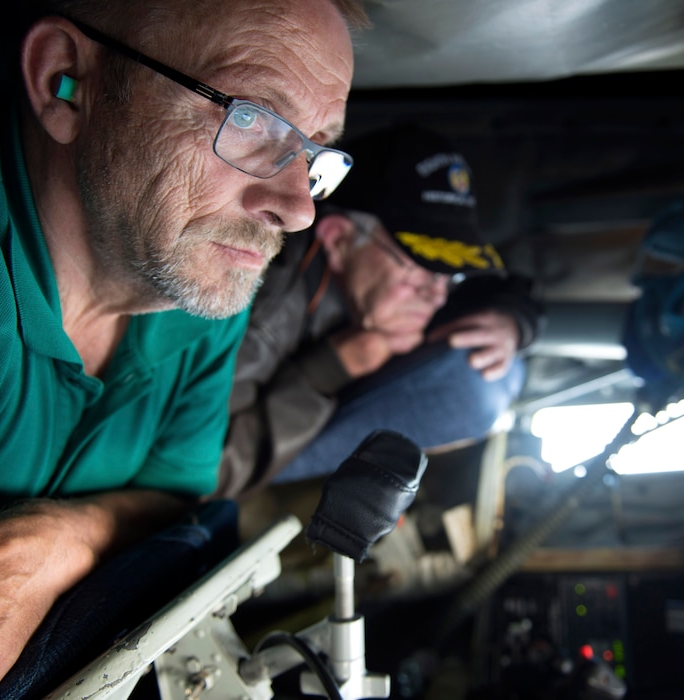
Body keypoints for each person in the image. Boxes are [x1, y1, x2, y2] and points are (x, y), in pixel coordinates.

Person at [0, 0, 365, 697]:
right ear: (64, 82)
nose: (297, 207)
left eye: (319, 151)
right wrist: (121, 533)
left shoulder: (199, 272)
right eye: (252, 119)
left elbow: (180, 503)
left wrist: (61, 541)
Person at [217, 124, 542, 498]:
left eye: (449, 272)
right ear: (338, 238)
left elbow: (507, 290)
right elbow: (215, 469)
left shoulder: (387, 284)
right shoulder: (260, 307)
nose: (437, 296)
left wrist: (512, 320)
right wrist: (333, 368)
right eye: (420, 268)